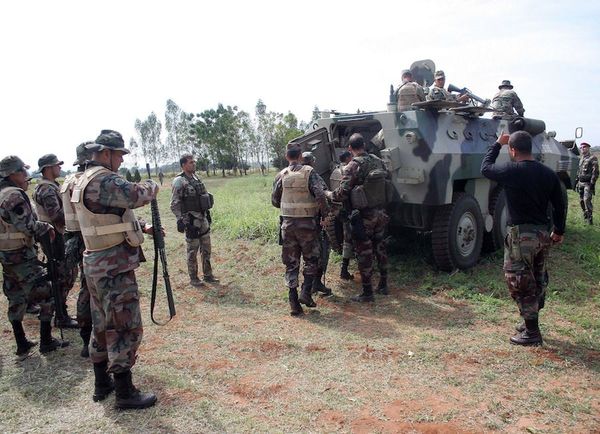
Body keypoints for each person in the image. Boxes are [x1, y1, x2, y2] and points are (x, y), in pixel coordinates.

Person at [72, 129, 158, 409]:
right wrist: (153, 185)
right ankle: (124, 392)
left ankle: (101, 384)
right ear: (106, 154)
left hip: (96, 262)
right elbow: (137, 195)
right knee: (122, 325)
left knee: (101, 323)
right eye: (119, 155)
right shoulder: (104, 179)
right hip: (113, 265)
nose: (121, 161)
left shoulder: (82, 179)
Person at [481, 130, 566, 346]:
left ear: (513, 150)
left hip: (522, 236)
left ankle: (532, 332)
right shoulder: (548, 174)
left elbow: (486, 168)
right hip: (542, 235)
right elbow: (559, 204)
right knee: (537, 278)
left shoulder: (511, 170)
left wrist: (497, 143)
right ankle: (530, 322)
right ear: (531, 149)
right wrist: (559, 230)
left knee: (520, 280)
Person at [0, 155, 69, 355]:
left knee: (15, 297)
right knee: (47, 293)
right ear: (12, 173)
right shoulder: (13, 195)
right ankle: (46, 341)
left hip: (7, 256)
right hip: (21, 255)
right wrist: (45, 226)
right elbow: (27, 226)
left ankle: (21, 343)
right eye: (22, 170)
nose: (26, 175)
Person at [326, 133, 389, 302]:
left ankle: (368, 293)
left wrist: (331, 195)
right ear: (364, 145)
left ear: (350, 148)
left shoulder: (353, 165)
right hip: (380, 212)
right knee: (380, 247)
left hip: (363, 216)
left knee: (364, 252)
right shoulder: (377, 160)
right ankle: (383, 284)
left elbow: (343, 191)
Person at [272, 144, 329, 316]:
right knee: (312, 258)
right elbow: (320, 194)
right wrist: (324, 215)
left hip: (288, 225)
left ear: (286, 156)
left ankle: (293, 302)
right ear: (300, 156)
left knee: (291, 263)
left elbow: (275, 201)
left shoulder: (281, 175)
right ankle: (306, 291)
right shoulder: (309, 172)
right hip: (308, 225)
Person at [33, 153, 79, 328]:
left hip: (52, 236)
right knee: (63, 276)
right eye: (56, 165)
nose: (59, 167)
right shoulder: (47, 189)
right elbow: (57, 216)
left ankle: (61, 313)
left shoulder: (48, 186)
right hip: (55, 238)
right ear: (48, 168)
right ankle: (61, 315)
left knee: (63, 275)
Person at [61, 143, 94, 356]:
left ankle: (86, 337)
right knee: (90, 290)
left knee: (86, 288)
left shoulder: (68, 181)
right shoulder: (88, 180)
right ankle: (90, 339)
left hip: (75, 238)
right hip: (90, 239)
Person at [170, 154, 218, 287]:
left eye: (194, 162)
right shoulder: (179, 181)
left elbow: (203, 197)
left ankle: (208, 275)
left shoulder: (196, 178)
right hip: (191, 221)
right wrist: (181, 220)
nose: (194, 164)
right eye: (191, 163)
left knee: (206, 248)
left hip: (202, 219)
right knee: (192, 250)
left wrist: (207, 214)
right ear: (183, 165)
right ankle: (194, 278)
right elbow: (174, 204)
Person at [302, 151, 331, 296]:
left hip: (294, 222)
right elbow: (322, 194)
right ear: (312, 162)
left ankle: (307, 287)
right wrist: (325, 215)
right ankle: (315, 284)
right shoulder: (313, 175)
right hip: (313, 222)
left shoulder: (289, 175)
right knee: (321, 252)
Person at [338, 151, 355, 280]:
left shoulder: (339, 170)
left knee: (347, 241)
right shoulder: (349, 170)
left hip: (346, 209)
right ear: (348, 158)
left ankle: (344, 269)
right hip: (354, 210)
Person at [576, 142, 598, 224]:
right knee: (581, 201)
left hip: (588, 184)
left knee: (586, 200)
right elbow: (579, 171)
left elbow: (595, 172)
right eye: (581, 147)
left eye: (584, 147)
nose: (582, 148)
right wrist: (576, 181)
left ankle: (590, 218)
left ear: (588, 148)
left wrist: (592, 183)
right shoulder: (581, 159)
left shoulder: (593, 158)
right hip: (581, 183)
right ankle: (585, 215)